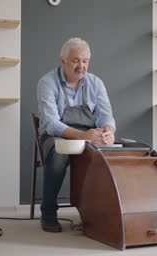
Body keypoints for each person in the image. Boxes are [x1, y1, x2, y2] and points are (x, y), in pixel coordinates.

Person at [37, 37, 116, 232]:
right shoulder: (47, 82)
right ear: (63, 61)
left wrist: (109, 132)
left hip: (89, 134)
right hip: (57, 135)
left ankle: (96, 213)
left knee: (113, 153)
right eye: (75, 60)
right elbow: (51, 123)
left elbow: (106, 115)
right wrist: (83, 136)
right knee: (58, 154)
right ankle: (48, 213)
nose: (81, 65)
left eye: (85, 61)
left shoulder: (96, 83)